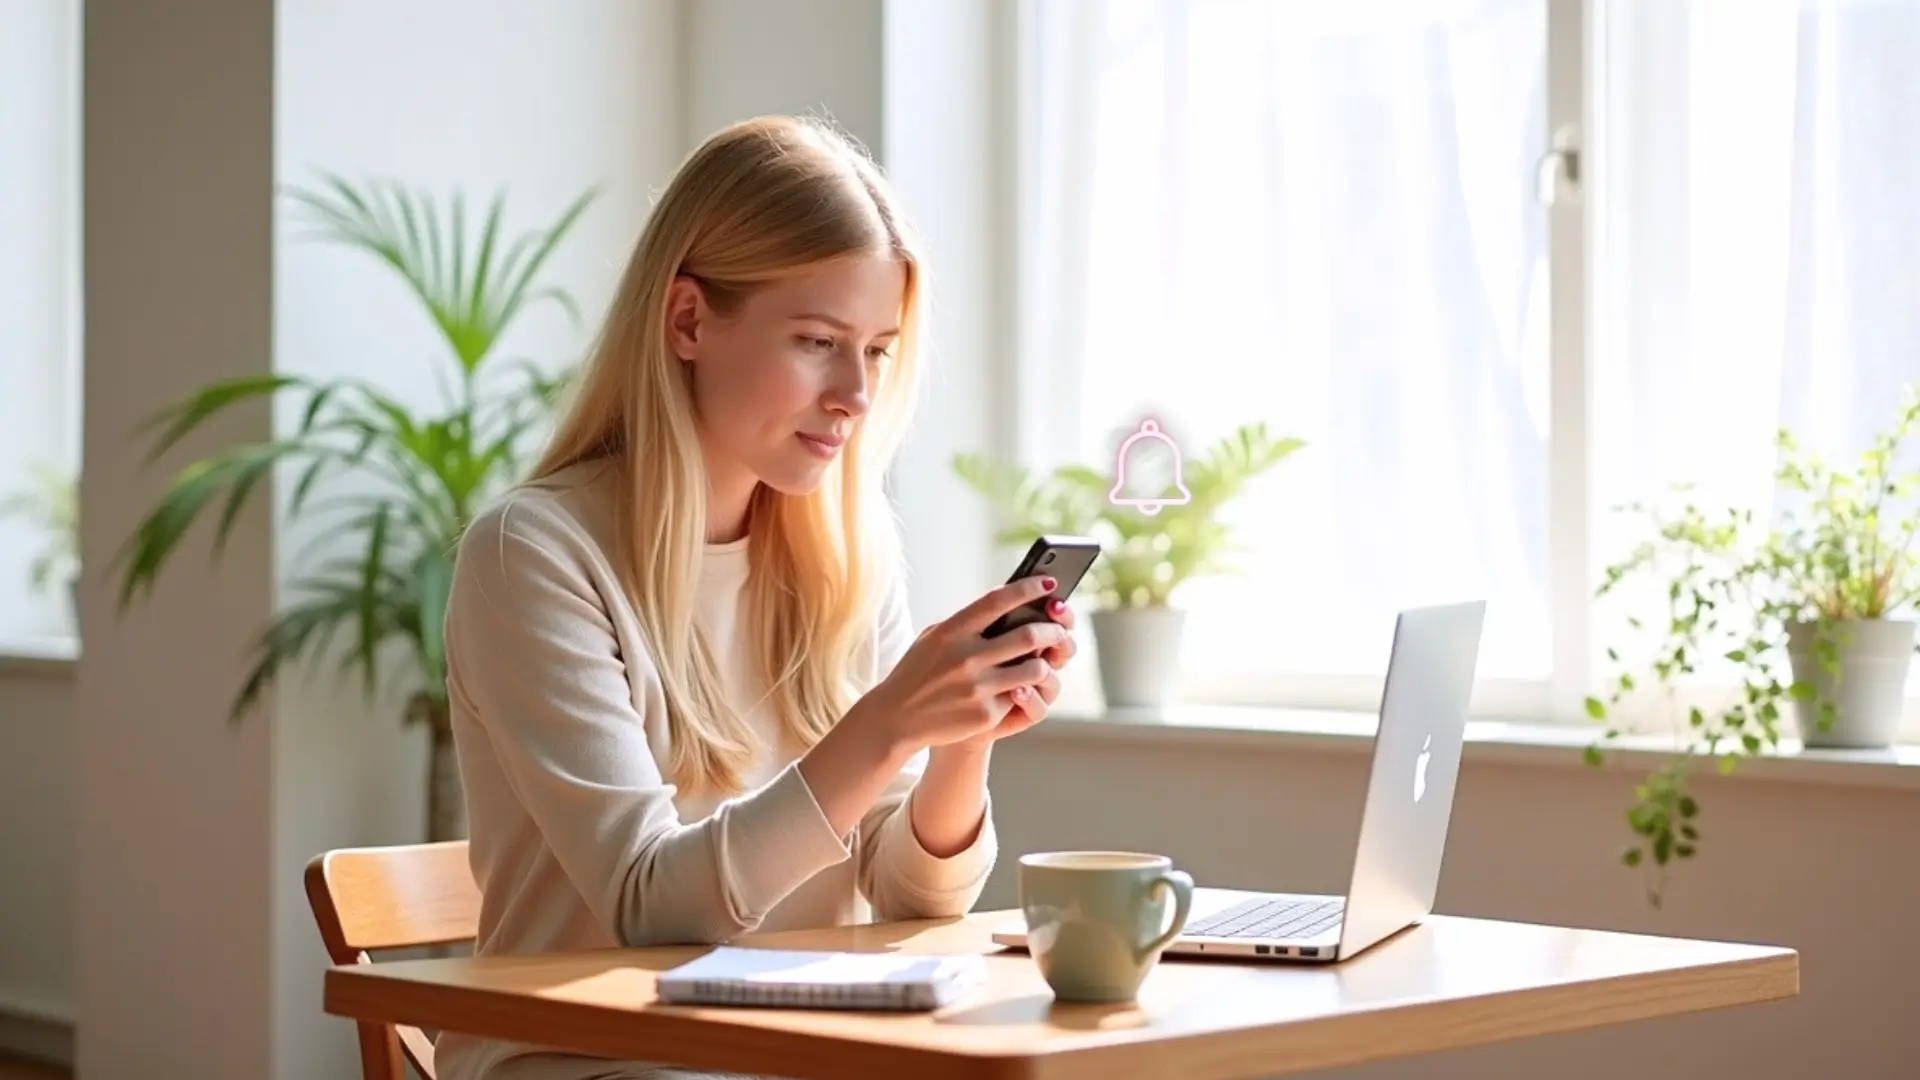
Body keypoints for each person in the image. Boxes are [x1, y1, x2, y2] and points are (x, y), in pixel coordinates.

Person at [434, 115, 1079, 1080]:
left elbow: (913, 904)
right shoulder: (534, 555)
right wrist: (887, 724)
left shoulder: (847, 554)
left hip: (791, 1056)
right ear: (688, 320)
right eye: (819, 341)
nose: (855, 394)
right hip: (590, 1060)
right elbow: (650, 904)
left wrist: (959, 739)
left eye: (878, 351)